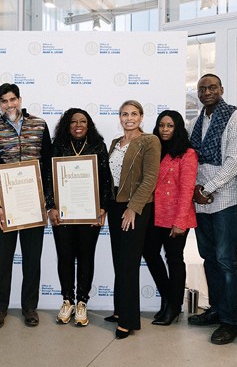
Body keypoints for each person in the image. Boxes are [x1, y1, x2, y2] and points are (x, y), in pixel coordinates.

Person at [187, 73, 237, 345]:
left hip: (223, 201)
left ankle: (230, 322)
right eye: (202, 89)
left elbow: (235, 162)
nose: (207, 92)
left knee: (226, 263)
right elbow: (192, 161)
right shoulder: (195, 122)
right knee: (209, 258)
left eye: (212, 87)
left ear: (222, 89)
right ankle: (215, 310)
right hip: (200, 202)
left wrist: (207, 188)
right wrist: (194, 191)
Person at [0, 83, 52, 329]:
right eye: (4, 101)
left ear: (20, 100)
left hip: (34, 203)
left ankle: (29, 307)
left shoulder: (40, 125)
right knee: (3, 258)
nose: (9, 104)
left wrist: (48, 200)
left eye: (13, 99)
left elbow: (48, 166)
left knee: (32, 258)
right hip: (6, 205)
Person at [45, 108, 113, 327]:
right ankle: (67, 301)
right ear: (67, 124)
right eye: (73, 121)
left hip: (89, 214)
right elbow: (48, 178)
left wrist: (102, 208)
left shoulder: (98, 146)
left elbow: (105, 180)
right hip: (62, 214)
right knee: (64, 257)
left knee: (86, 256)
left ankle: (82, 302)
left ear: (88, 124)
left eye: (83, 121)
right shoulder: (57, 147)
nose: (78, 125)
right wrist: (50, 206)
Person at [106, 100, 160, 339]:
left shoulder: (150, 141)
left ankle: (128, 320)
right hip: (114, 206)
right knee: (119, 260)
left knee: (128, 263)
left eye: (134, 114)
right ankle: (120, 310)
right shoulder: (115, 143)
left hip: (135, 208)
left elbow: (150, 178)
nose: (129, 118)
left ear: (141, 117)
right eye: (124, 114)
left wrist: (133, 208)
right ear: (119, 117)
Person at [143, 110, 197, 326]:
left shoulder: (187, 153)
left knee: (174, 260)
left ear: (178, 128)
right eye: (162, 125)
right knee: (149, 252)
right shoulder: (154, 149)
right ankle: (169, 298)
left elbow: (187, 190)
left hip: (176, 216)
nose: (165, 130)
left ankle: (173, 306)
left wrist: (180, 221)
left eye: (170, 126)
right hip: (153, 215)